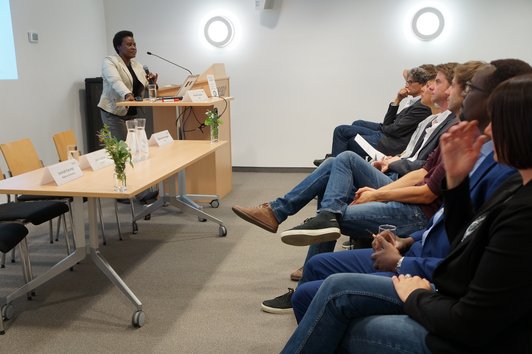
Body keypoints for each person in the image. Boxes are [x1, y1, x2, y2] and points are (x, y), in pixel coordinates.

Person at [280, 64, 532, 354]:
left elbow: (471, 316)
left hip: (453, 312)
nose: (488, 130)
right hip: (439, 279)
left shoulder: (519, 205)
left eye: (499, 120)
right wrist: (456, 184)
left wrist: (412, 286)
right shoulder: (512, 185)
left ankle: (313, 214)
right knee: (341, 169)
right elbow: (466, 243)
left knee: (334, 300)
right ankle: (314, 214)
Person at [313, 65, 436, 166]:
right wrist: (398, 99)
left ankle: (332, 164)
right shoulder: (414, 101)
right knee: (357, 123)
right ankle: (333, 161)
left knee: (341, 131)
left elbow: (395, 129)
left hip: (389, 143)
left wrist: (384, 127)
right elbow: (390, 123)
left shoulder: (422, 106)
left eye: (409, 82)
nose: (405, 85)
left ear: (421, 85)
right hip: (388, 134)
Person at [98, 30, 158, 141]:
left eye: (134, 44)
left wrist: (152, 84)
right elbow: (115, 81)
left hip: (133, 113)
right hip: (114, 113)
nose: (133, 47)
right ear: (118, 47)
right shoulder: (110, 61)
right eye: (129, 45)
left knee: (137, 146)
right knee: (123, 149)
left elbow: (143, 84)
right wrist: (127, 94)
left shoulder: (136, 65)